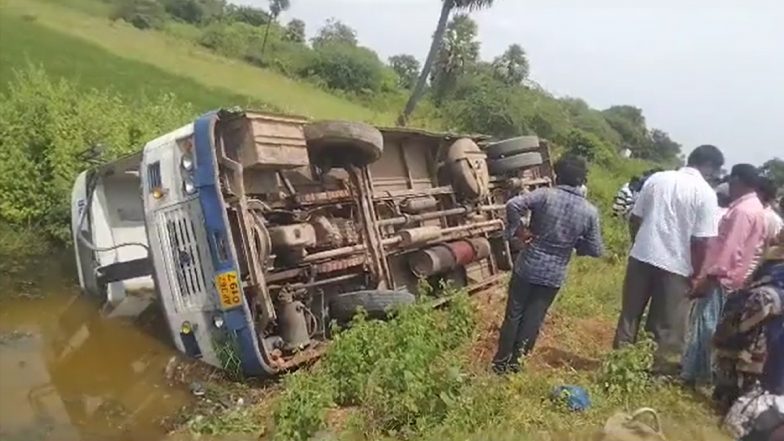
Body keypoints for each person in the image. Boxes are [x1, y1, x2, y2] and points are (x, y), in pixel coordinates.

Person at [613, 145, 724, 366]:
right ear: (709, 167)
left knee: (630, 315)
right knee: (666, 326)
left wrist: (638, 243)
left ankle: (618, 362)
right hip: (677, 266)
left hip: (642, 256)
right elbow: (703, 242)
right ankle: (656, 372)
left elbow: (635, 218)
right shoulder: (706, 194)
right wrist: (698, 275)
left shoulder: (657, 179)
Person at [492, 155, 604, 374]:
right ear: (582, 181)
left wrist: (519, 230)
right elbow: (596, 249)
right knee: (534, 319)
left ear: (556, 175)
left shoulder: (545, 195)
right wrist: (576, 245)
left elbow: (513, 204)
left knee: (514, 315)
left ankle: (500, 364)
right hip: (553, 275)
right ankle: (517, 365)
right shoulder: (590, 212)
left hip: (527, 266)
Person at [682, 164, 768, 385]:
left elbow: (729, 248)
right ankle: (700, 371)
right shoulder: (755, 208)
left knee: (704, 323)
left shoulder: (742, 211)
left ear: (738, 181)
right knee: (711, 323)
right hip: (735, 277)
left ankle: (694, 373)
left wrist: (709, 276)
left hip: (722, 277)